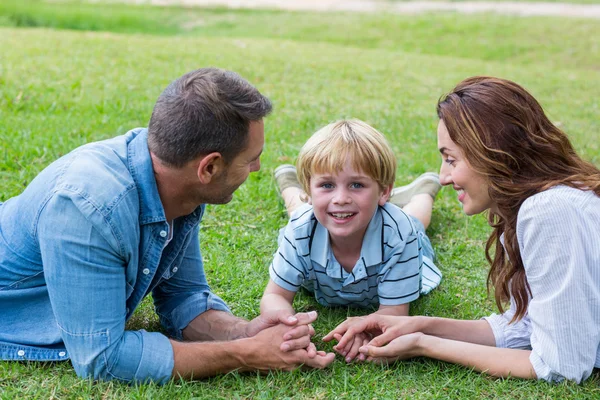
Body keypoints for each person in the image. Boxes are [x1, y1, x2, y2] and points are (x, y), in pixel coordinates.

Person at [0, 67, 335, 383]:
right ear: (209, 168)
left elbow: (182, 297)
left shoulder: (176, 186)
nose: (258, 168)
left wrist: (244, 332)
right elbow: (102, 358)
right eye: (251, 159)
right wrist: (245, 354)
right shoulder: (86, 209)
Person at [324, 77, 600, 383]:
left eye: (450, 159)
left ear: (492, 152)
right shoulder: (530, 208)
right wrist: (417, 326)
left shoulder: (550, 210)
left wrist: (424, 344)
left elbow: (561, 365)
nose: (443, 177)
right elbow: (528, 327)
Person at [260, 119, 443, 363]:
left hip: (398, 226)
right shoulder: (302, 229)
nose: (341, 198)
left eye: (357, 184)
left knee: (416, 220)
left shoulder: (400, 235)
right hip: (310, 212)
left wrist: (366, 330)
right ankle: (290, 186)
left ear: (384, 191)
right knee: (299, 211)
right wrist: (288, 327)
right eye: (326, 184)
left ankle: (424, 191)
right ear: (311, 187)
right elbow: (276, 296)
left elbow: (394, 314)